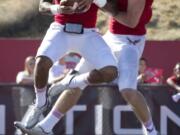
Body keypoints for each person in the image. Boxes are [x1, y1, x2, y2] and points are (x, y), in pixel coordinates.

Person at [14, 0, 158, 135]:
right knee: (76, 83)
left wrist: (96, 1)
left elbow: (130, 22)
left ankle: (151, 131)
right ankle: (46, 126)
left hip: (130, 40)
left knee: (127, 89)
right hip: (110, 35)